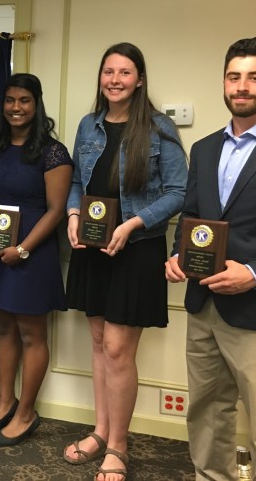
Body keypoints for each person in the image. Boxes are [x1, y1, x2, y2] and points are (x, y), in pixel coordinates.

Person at [165, 37, 256, 481]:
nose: (242, 86)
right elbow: (192, 216)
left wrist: (252, 273)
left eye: (255, 77)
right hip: (205, 308)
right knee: (207, 412)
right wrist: (178, 256)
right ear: (225, 83)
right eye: (235, 76)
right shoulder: (205, 149)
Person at [64, 43, 187, 481]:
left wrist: (133, 223)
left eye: (124, 72)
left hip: (135, 249)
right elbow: (78, 179)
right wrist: (74, 215)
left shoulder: (158, 128)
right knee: (98, 343)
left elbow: (179, 192)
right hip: (93, 248)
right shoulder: (88, 124)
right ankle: (100, 430)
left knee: (118, 349)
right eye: (108, 71)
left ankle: (119, 444)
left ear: (139, 79)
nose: (115, 79)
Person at [0, 73, 73, 446]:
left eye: (24, 101)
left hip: (31, 253)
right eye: (11, 100)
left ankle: (27, 413)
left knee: (32, 333)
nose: (16, 108)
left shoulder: (52, 151)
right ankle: (4, 403)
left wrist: (24, 248)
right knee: (4, 327)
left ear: (37, 104)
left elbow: (57, 209)